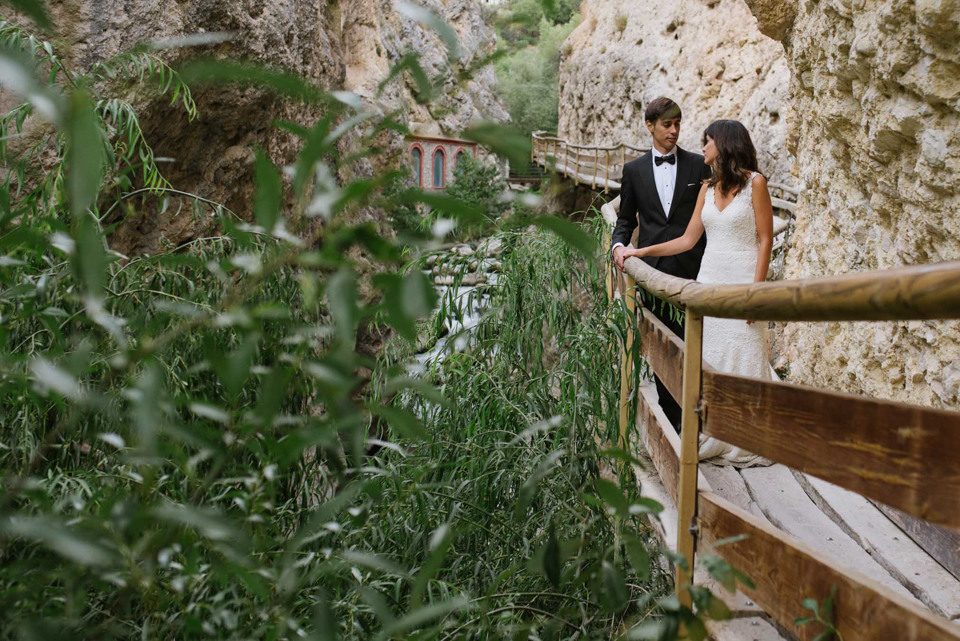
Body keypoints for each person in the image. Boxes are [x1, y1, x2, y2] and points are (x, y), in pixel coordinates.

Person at [620, 119, 774, 467]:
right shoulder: (706, 188)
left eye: (707, 142)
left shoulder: (755, 184)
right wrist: (639, 252)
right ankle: (716, 429)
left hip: (742, 281)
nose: (701, 147)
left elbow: (766, 240)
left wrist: (756, 291)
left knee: (743, 352)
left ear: (724, 144)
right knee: (712, 356)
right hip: (708, 280)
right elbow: (688, 240)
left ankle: (747, 434)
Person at [612, 97, 711, 433]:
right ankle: (674, 425)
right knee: (662, 349)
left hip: (695, 271)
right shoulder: (634, 171)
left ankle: (697, 424)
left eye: (678, 123)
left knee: (695, 347)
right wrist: (618, 246)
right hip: (651, 274)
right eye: (667, 124)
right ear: (650, 126)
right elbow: (625, 220)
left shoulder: (699, 165)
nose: (674, 130)